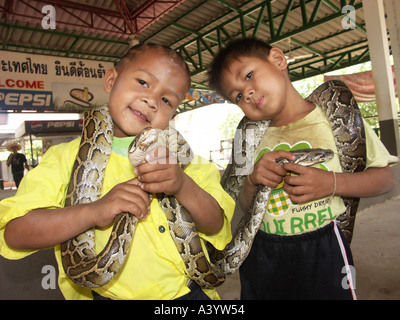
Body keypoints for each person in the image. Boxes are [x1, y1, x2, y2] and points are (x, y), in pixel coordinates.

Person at [0, 43, 235, 300]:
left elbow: (215, 224)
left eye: (166, 100)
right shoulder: (63, 158)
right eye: (144, 82)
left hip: (186, 295)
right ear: (111, 80)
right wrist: (93, 212)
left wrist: (182, 185)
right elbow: (16, 233)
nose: (151, 100)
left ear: (173, 114)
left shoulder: (185, 162)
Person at [208, 37, 399, 300]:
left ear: (278, 60)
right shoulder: (245, 138)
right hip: (261, 250)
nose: (248, 93)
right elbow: (243, 202)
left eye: (249, 75)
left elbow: (385, 179)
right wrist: (252, 181)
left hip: (325, 248)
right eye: (238, 96)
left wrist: (333, 184)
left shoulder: (334, 117)